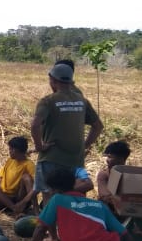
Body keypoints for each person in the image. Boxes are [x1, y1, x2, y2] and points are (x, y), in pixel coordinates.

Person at [31, 60, 103, 210]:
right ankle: (68, 229)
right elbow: (98, 126)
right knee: (71, 197)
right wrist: (84, 146)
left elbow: (35, 124)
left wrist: (39, 146)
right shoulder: (82, 101)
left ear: (52, 80)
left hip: (51, 158)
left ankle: (51, 231)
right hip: (75, 159)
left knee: (49, 196)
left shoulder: (48, 101)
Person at [29, 166, 135, 241]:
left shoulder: (57, 199)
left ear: (54, 189)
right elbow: (123, 233)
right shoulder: (99, 205)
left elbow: (40, 228)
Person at [0, 136, 37, 216]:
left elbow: (36, 186)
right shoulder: (10, 161)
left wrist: (24, 201)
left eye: (10, 149)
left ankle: (33, 209)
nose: (9, 151)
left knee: (26, 177)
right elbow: (0, 178)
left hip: (18, 198)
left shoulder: (29, 164)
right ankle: (14, 208)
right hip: (5, 199)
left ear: (16, 150)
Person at [95, 141, 131, 211]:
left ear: (121, 158)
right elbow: (104, 195)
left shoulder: (130, 174)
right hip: (108, 209)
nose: (107, 160)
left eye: (110, 157)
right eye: (107, 156)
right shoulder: (104, 174)